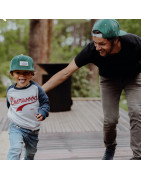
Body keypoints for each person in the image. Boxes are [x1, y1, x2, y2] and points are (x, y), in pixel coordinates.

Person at [42, 19, 141, 160]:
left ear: (115, 40)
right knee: (110, 120)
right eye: (95, 43)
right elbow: (65, 72)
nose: (97, 47)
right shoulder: (91, 50)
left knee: (137, 112)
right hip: (109, 81)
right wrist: (39, 91)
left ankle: (138, 157)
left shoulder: (134, 43)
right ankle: (110, 147)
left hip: (133, 78)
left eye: (102, 44)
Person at [7, 54, 50, 160]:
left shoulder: (36, 88)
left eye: (26, 73)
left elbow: (45, 103)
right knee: (15, 149)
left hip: (33, 129)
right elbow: (10, 106)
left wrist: (43, 112)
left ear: (32, 74)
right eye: (18, 73)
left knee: (30, 154)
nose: (22, 76)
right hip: (16, 127)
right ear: (12, 74)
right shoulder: (10, 91)